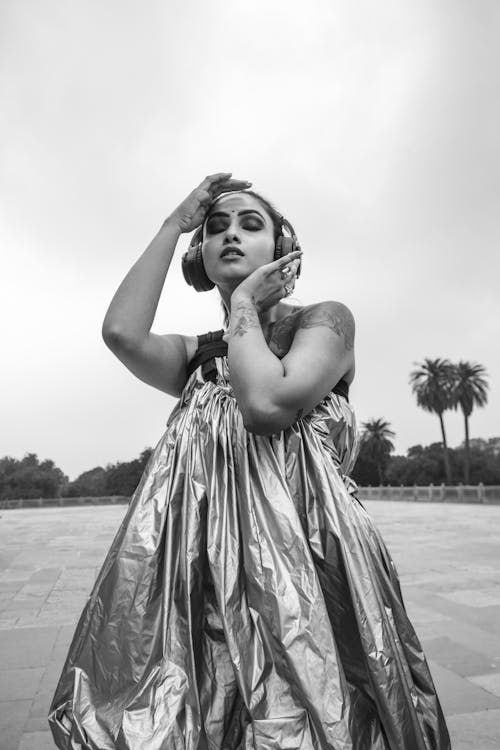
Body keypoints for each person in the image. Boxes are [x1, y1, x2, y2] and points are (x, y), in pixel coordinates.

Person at [48, 173, 451, 749]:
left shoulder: (324, 321)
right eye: (216, 229)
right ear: (201, 254)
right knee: (210, 702)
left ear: (282, 251)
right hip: (204, 553)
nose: (230, 235)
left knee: (324, 703)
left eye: (250, 224)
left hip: (308, 549)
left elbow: (266, 404)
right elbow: (121, 332)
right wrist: (172, 225)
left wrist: (242, 304)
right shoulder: (195, 354)